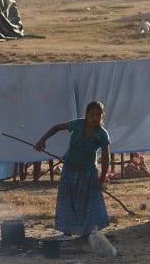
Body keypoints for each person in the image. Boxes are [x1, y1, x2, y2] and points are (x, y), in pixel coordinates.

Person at [35, 100, 113, 239]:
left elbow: (106, 158)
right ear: (86, 115)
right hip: (70, 170)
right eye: (92, 114)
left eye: (98, 115)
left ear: (102, 116)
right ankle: (67, 231)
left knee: (88, 203)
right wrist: (43, 140)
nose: (95, 118)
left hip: (88, 174)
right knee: (67, 201)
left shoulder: (102, 134)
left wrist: (101, 179)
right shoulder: (78, 124)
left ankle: (87, 233)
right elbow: (56, 128)